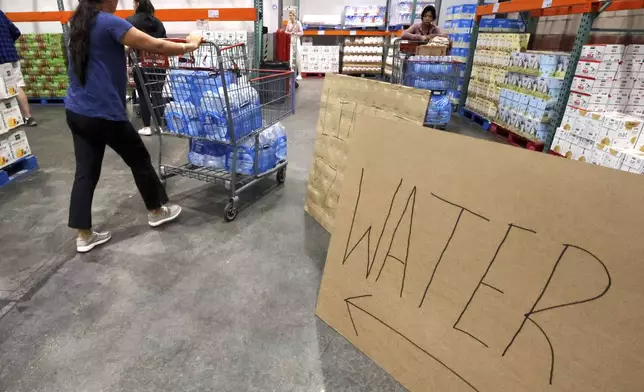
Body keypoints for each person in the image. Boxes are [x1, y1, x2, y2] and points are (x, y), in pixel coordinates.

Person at [66, 0, 201, 253]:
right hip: (104, 112)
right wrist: (191, 44)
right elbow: (158, 45)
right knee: (139, 159)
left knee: (85, 171)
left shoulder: (79, 22)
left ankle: (83, 235)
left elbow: (103, 51)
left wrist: (125, 48)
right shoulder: (110, 22)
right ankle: (156, 210)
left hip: (76, 110)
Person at [126, 0, 167, 136]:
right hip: (159, 63)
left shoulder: (130, 21)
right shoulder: (158, 22)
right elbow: (164, 41)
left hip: (140, 63)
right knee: (157, 94)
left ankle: (147, 126)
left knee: (143, 94)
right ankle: (159, 126)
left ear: (137, 4)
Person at [0, 11, 37, 126]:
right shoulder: (0, 14)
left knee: (2, 90)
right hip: (12, 56)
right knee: (17, 86)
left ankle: (7, 121)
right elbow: (16, 32)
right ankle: (29, 117)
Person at [285, 10, 303, 80]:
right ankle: (291, 72)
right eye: (289, 16)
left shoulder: (298, 23)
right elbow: (286, 31)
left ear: (294, 16)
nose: (290, 17)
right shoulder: (288, 23)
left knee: (298, 56)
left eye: (291, 15)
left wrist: (296, 33)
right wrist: (290, 33)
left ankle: (300, 74)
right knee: (291, 56)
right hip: (291, 40)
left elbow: (302, 33)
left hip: (297, 40)